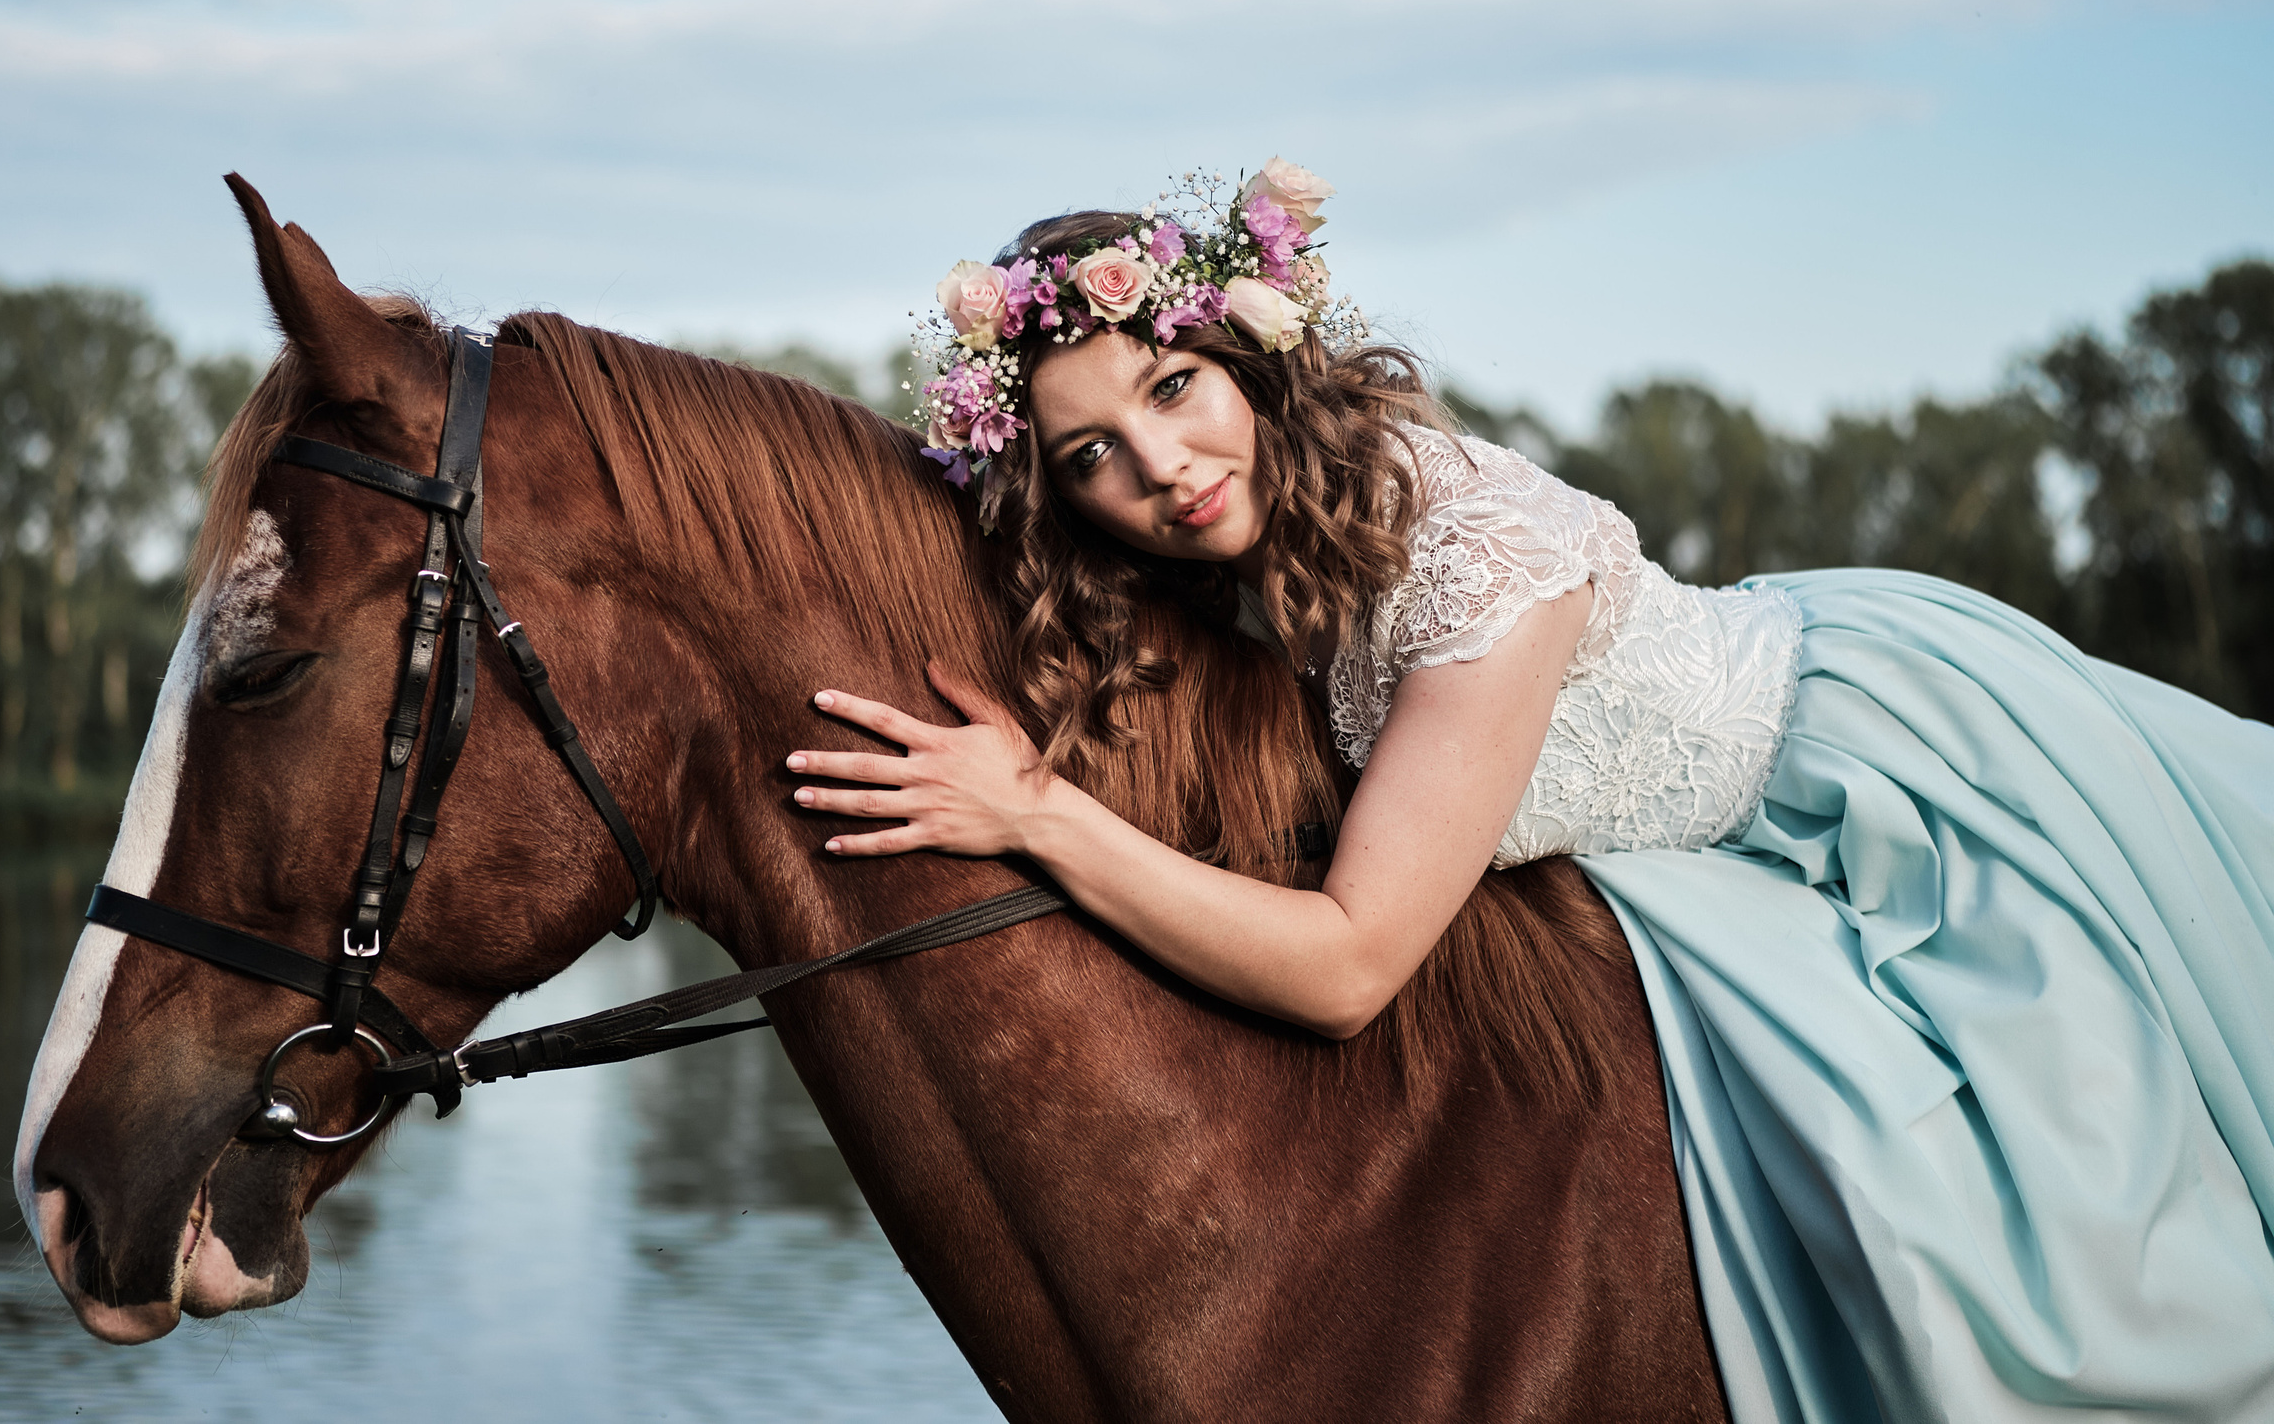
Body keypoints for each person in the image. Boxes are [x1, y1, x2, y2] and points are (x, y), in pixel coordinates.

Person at [780, 160, 2274, 1423]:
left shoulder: (1465, 557)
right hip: (1651, 877)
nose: (1163, 468)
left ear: (1247, 358)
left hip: (1856, 787)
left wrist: (1035, 814)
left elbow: (1353, 966)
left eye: (1176, 388)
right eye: (1092, 454)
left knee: (2006, 1224)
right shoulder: (1234, 554)